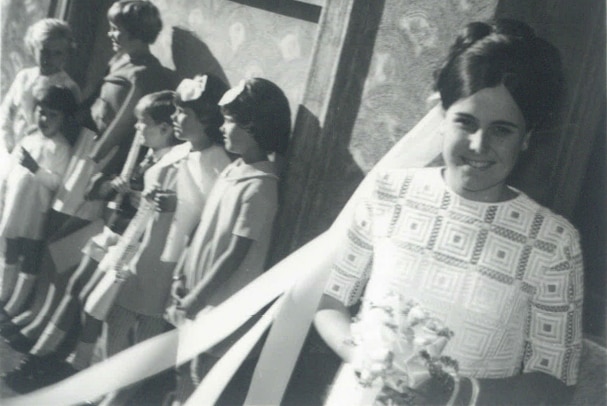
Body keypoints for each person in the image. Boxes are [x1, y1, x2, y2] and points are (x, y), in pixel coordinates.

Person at [313, 19, 583, 406]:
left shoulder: (553, 242)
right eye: (466, 122)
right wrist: (372, 359)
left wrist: (456, 392)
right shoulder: (389, 191)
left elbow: (555, 384)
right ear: (441, 116)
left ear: (526, 138)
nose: (478, 144)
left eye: (502, 130)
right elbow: (330, 303)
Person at [0, 0, 175, 353]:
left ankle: (48, 329)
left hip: (98, 159)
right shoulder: (119, 61)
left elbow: (125, 127)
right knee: (50, 233)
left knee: (70, 241)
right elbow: (88, 106)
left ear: (139, 34)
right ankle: (32, 310)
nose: (111, 36)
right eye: (110, 28)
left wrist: (94, 166)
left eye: (119, 31)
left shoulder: (146, 72)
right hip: (81, 149)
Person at [99, 75, 231, 406]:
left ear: (205, 119)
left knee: (146, 342)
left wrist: (173, 209)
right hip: (141, 247)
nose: (174, 117)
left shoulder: (218, 163)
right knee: (114, 323)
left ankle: (117, 398)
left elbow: (212, 223)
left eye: (182, 111)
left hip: (170, 260)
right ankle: (107, 387)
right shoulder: (179, 150)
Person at [165, 77, 291, 405]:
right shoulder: (233, 169)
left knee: (207, 375)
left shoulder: (260, 186)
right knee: (184, 368)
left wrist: (196, 298)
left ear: (254, 127)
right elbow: (206, 227)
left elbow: (235, 254)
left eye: (229, 121)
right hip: (198, 292)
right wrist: (182, 270)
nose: (221, 127)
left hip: (222, 302)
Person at [0, 85, 76, 324]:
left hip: (35, 210)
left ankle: (17, 303)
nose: (44, 119)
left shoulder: (61, 147)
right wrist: (3, 189)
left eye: (53, 115)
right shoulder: (30, 137)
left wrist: (36, 169)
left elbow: (56, 182)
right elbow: (11, 167)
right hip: (15, 203)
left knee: (30, 254)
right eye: (41, 112)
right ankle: (4, 294)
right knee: (9, 248)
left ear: (64, 119)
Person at [0, 18, 80, 157]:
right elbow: (6, 111)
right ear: (33, 48)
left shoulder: (68, 88)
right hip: (10, 147)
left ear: (67, 55)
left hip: (39, 155)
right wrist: (7, 140)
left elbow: (65, 131)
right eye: (44, 51)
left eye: (57, 53)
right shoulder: (24, 77)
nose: (49, 58)